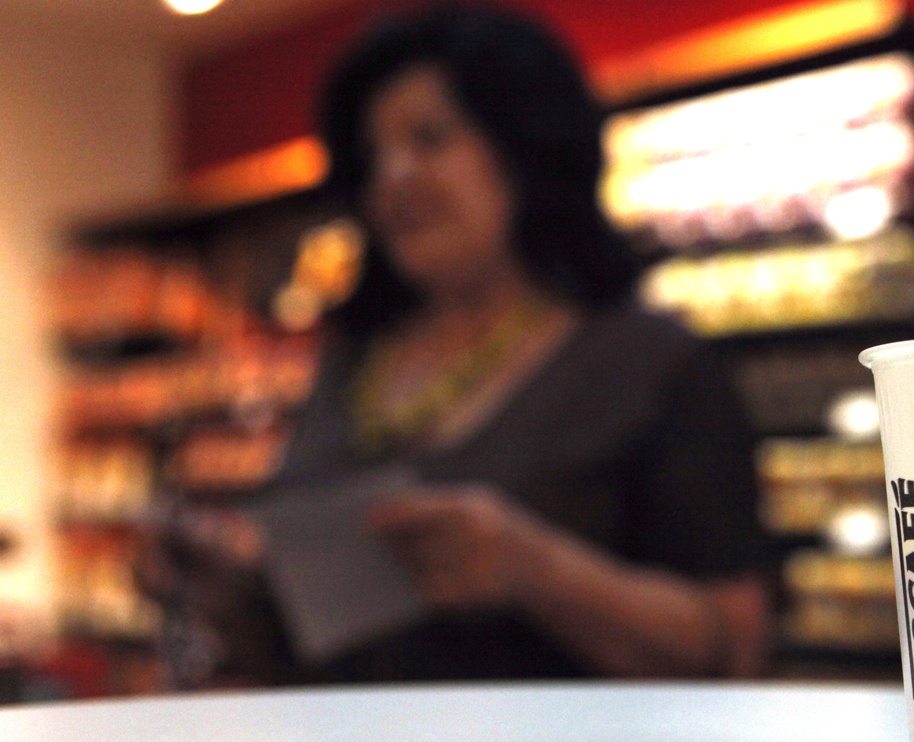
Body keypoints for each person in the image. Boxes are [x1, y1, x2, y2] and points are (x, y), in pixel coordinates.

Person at [137, 2, 774, 686]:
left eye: (430, 139)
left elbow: (734, 646)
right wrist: (233, 591)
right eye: (373, 156)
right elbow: (306, 646)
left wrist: (536, 569)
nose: (393, 178)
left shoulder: (650, 365)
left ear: (524, 147)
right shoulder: (352, 362)